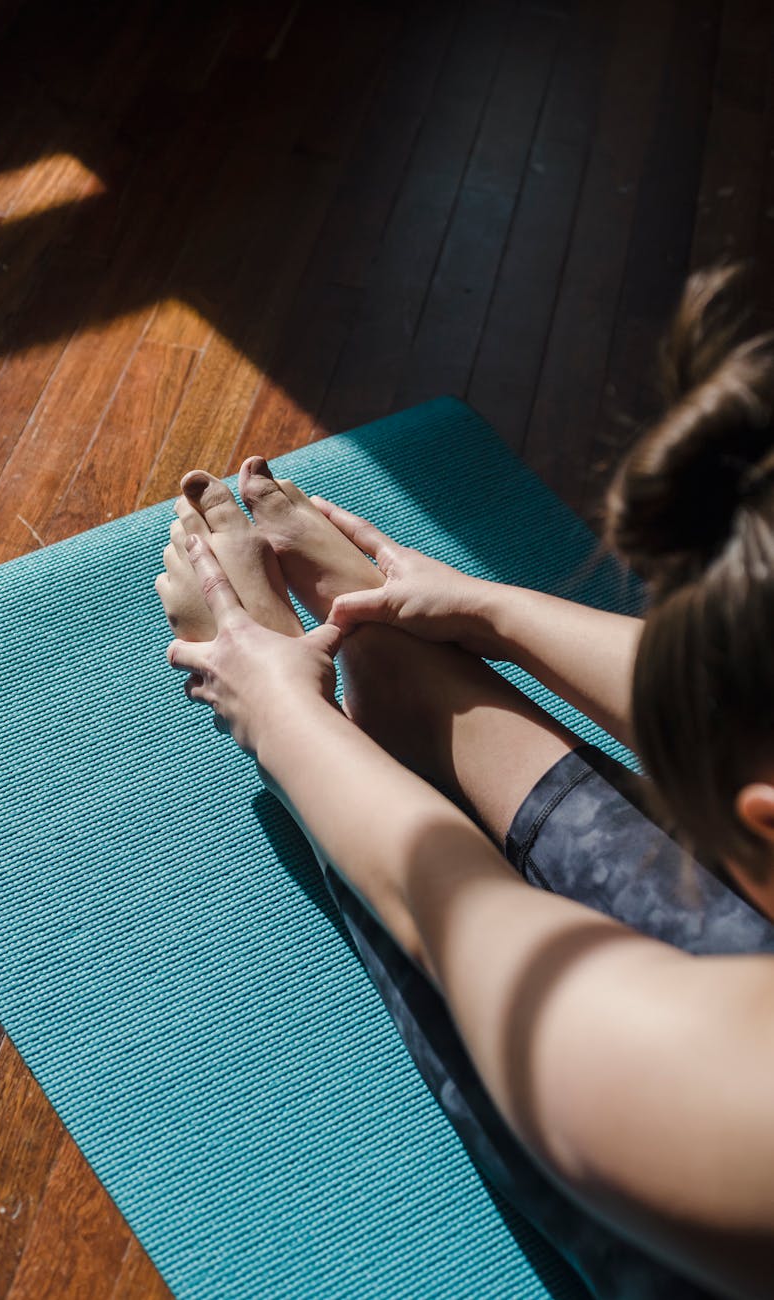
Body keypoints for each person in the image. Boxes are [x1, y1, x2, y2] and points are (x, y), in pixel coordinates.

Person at [154, 266, 774, 1299]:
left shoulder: (743, 1109)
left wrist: (278, 710)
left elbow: (461, 915)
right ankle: (408, 685)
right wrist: (488, 613)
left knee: (520, 1042)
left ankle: (381, 707)